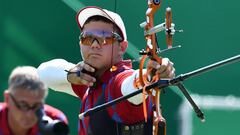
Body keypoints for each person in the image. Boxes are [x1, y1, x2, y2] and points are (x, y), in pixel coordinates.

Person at [37, 6, 175, 135]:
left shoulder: (118, 81)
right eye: (87, 38)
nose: (94, 45)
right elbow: (41, 74)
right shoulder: (89, 80)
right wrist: (71, 73)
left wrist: (151, 74)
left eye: (105, 38)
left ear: (122, 47)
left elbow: (129, 85)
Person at [0, 66, 68, 135]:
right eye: (23, 105)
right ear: (7, 98)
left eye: (36, 106)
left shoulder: (55, 123)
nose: (29, 114)